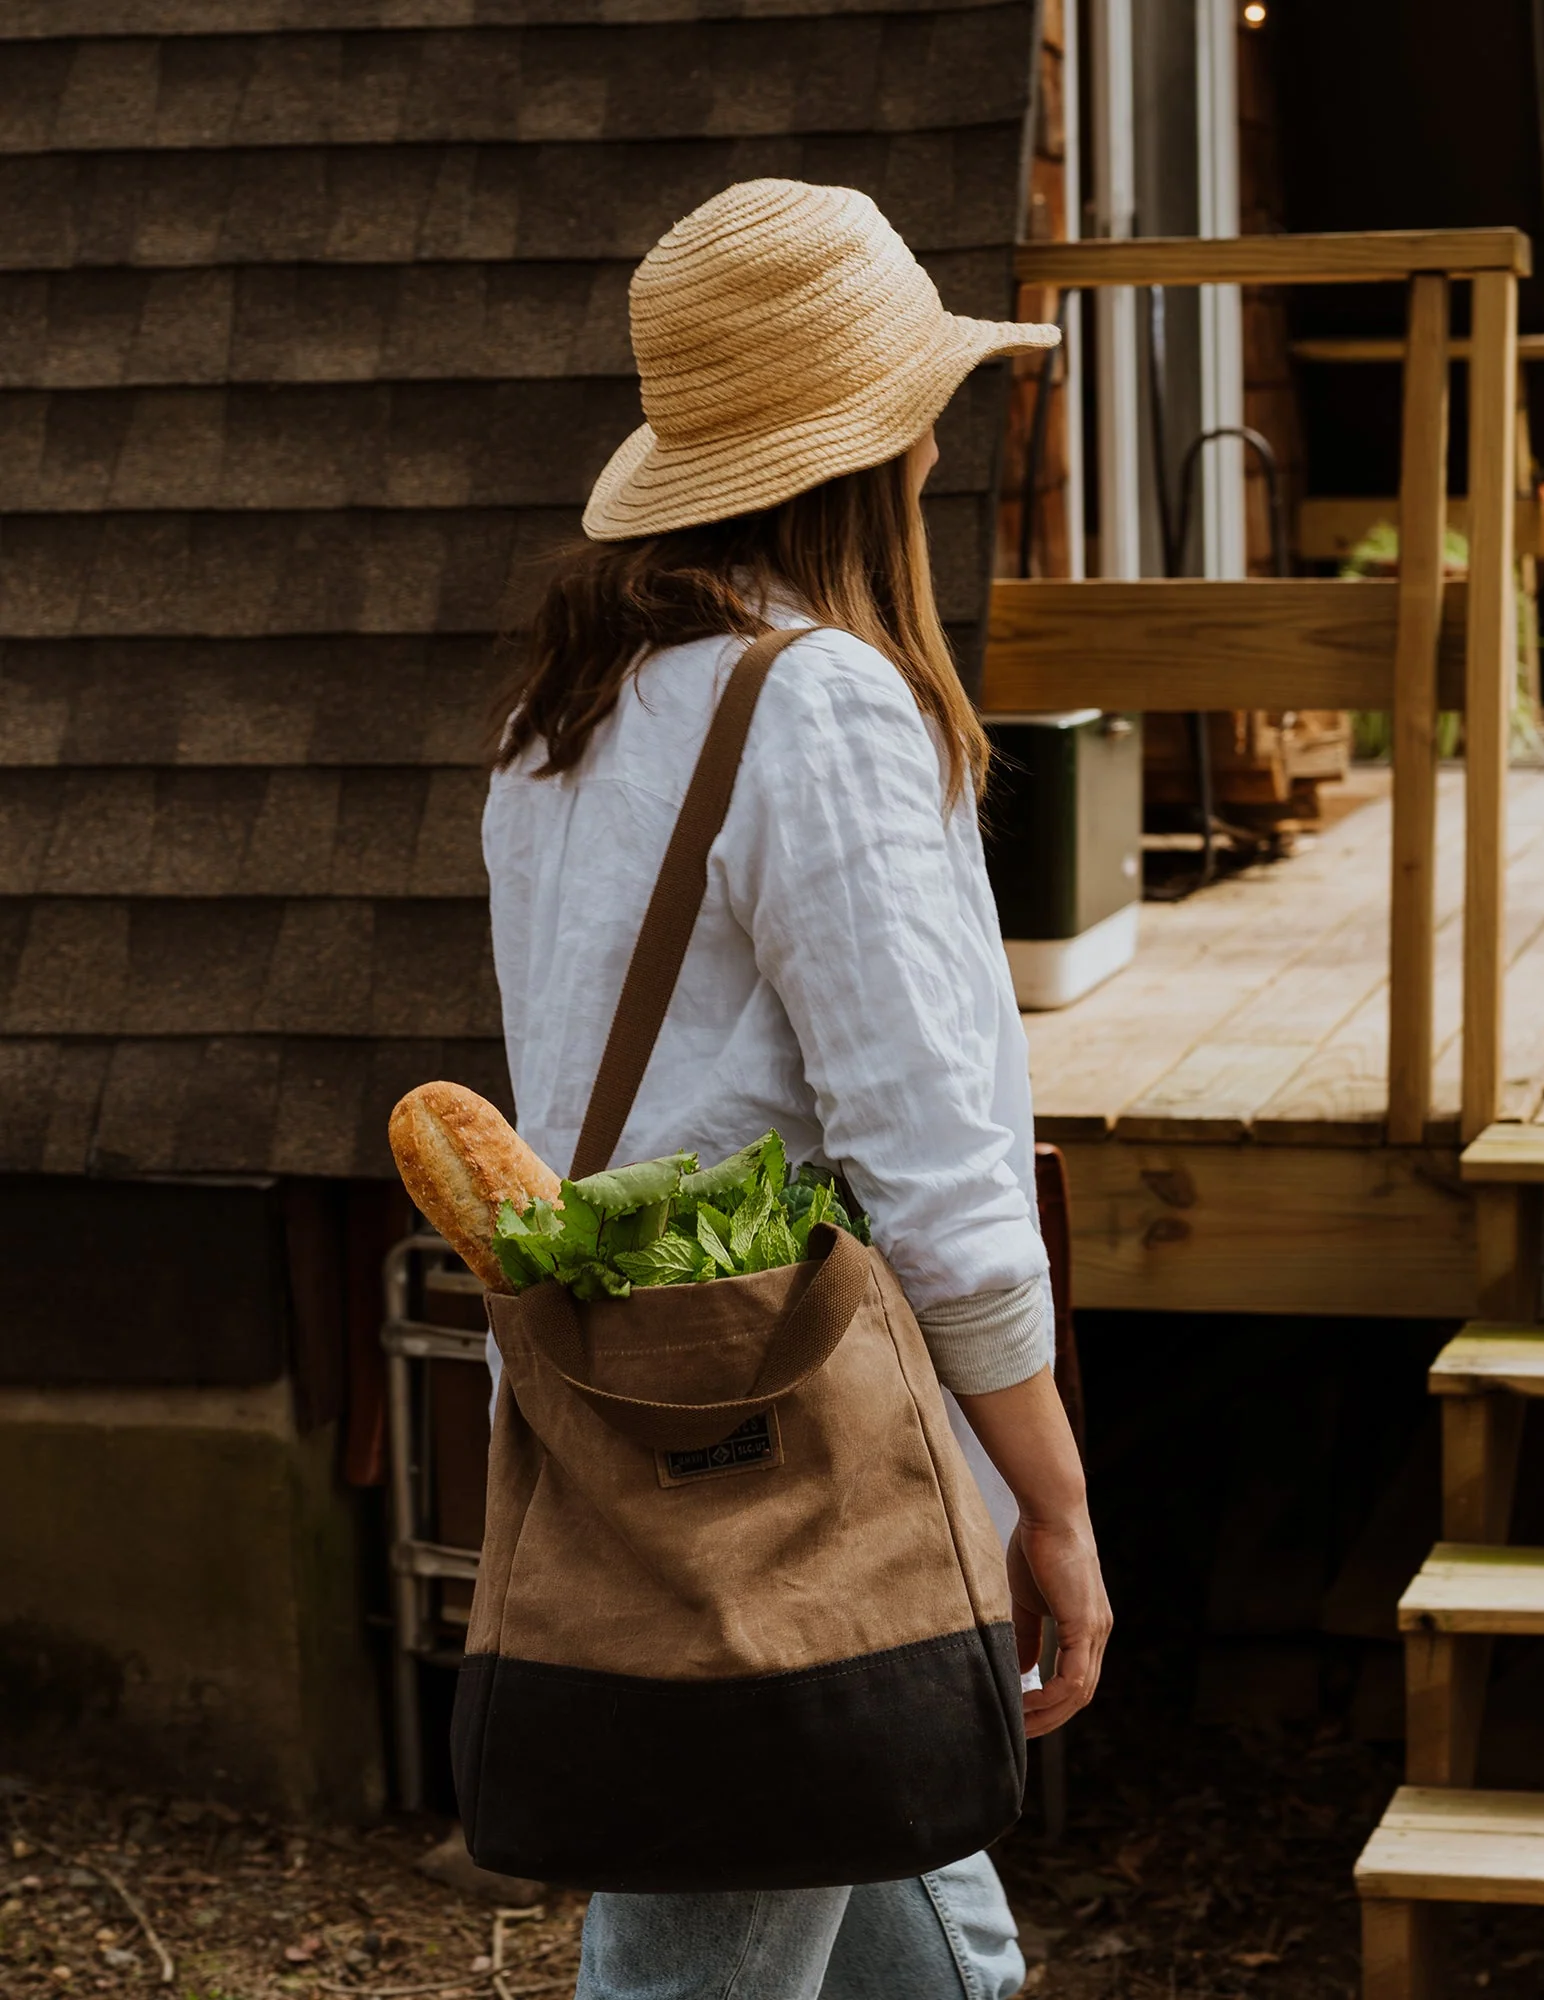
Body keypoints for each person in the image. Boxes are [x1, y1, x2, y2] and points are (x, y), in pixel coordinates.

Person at [482, 177, 1113, 2000]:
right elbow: (933, 1169)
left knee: (941, 1967)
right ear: (878, 444)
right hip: (783, 1466)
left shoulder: (563, 719)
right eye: (922, 408)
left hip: (646, 1409)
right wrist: (1053, 1508)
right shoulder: (822, 708)